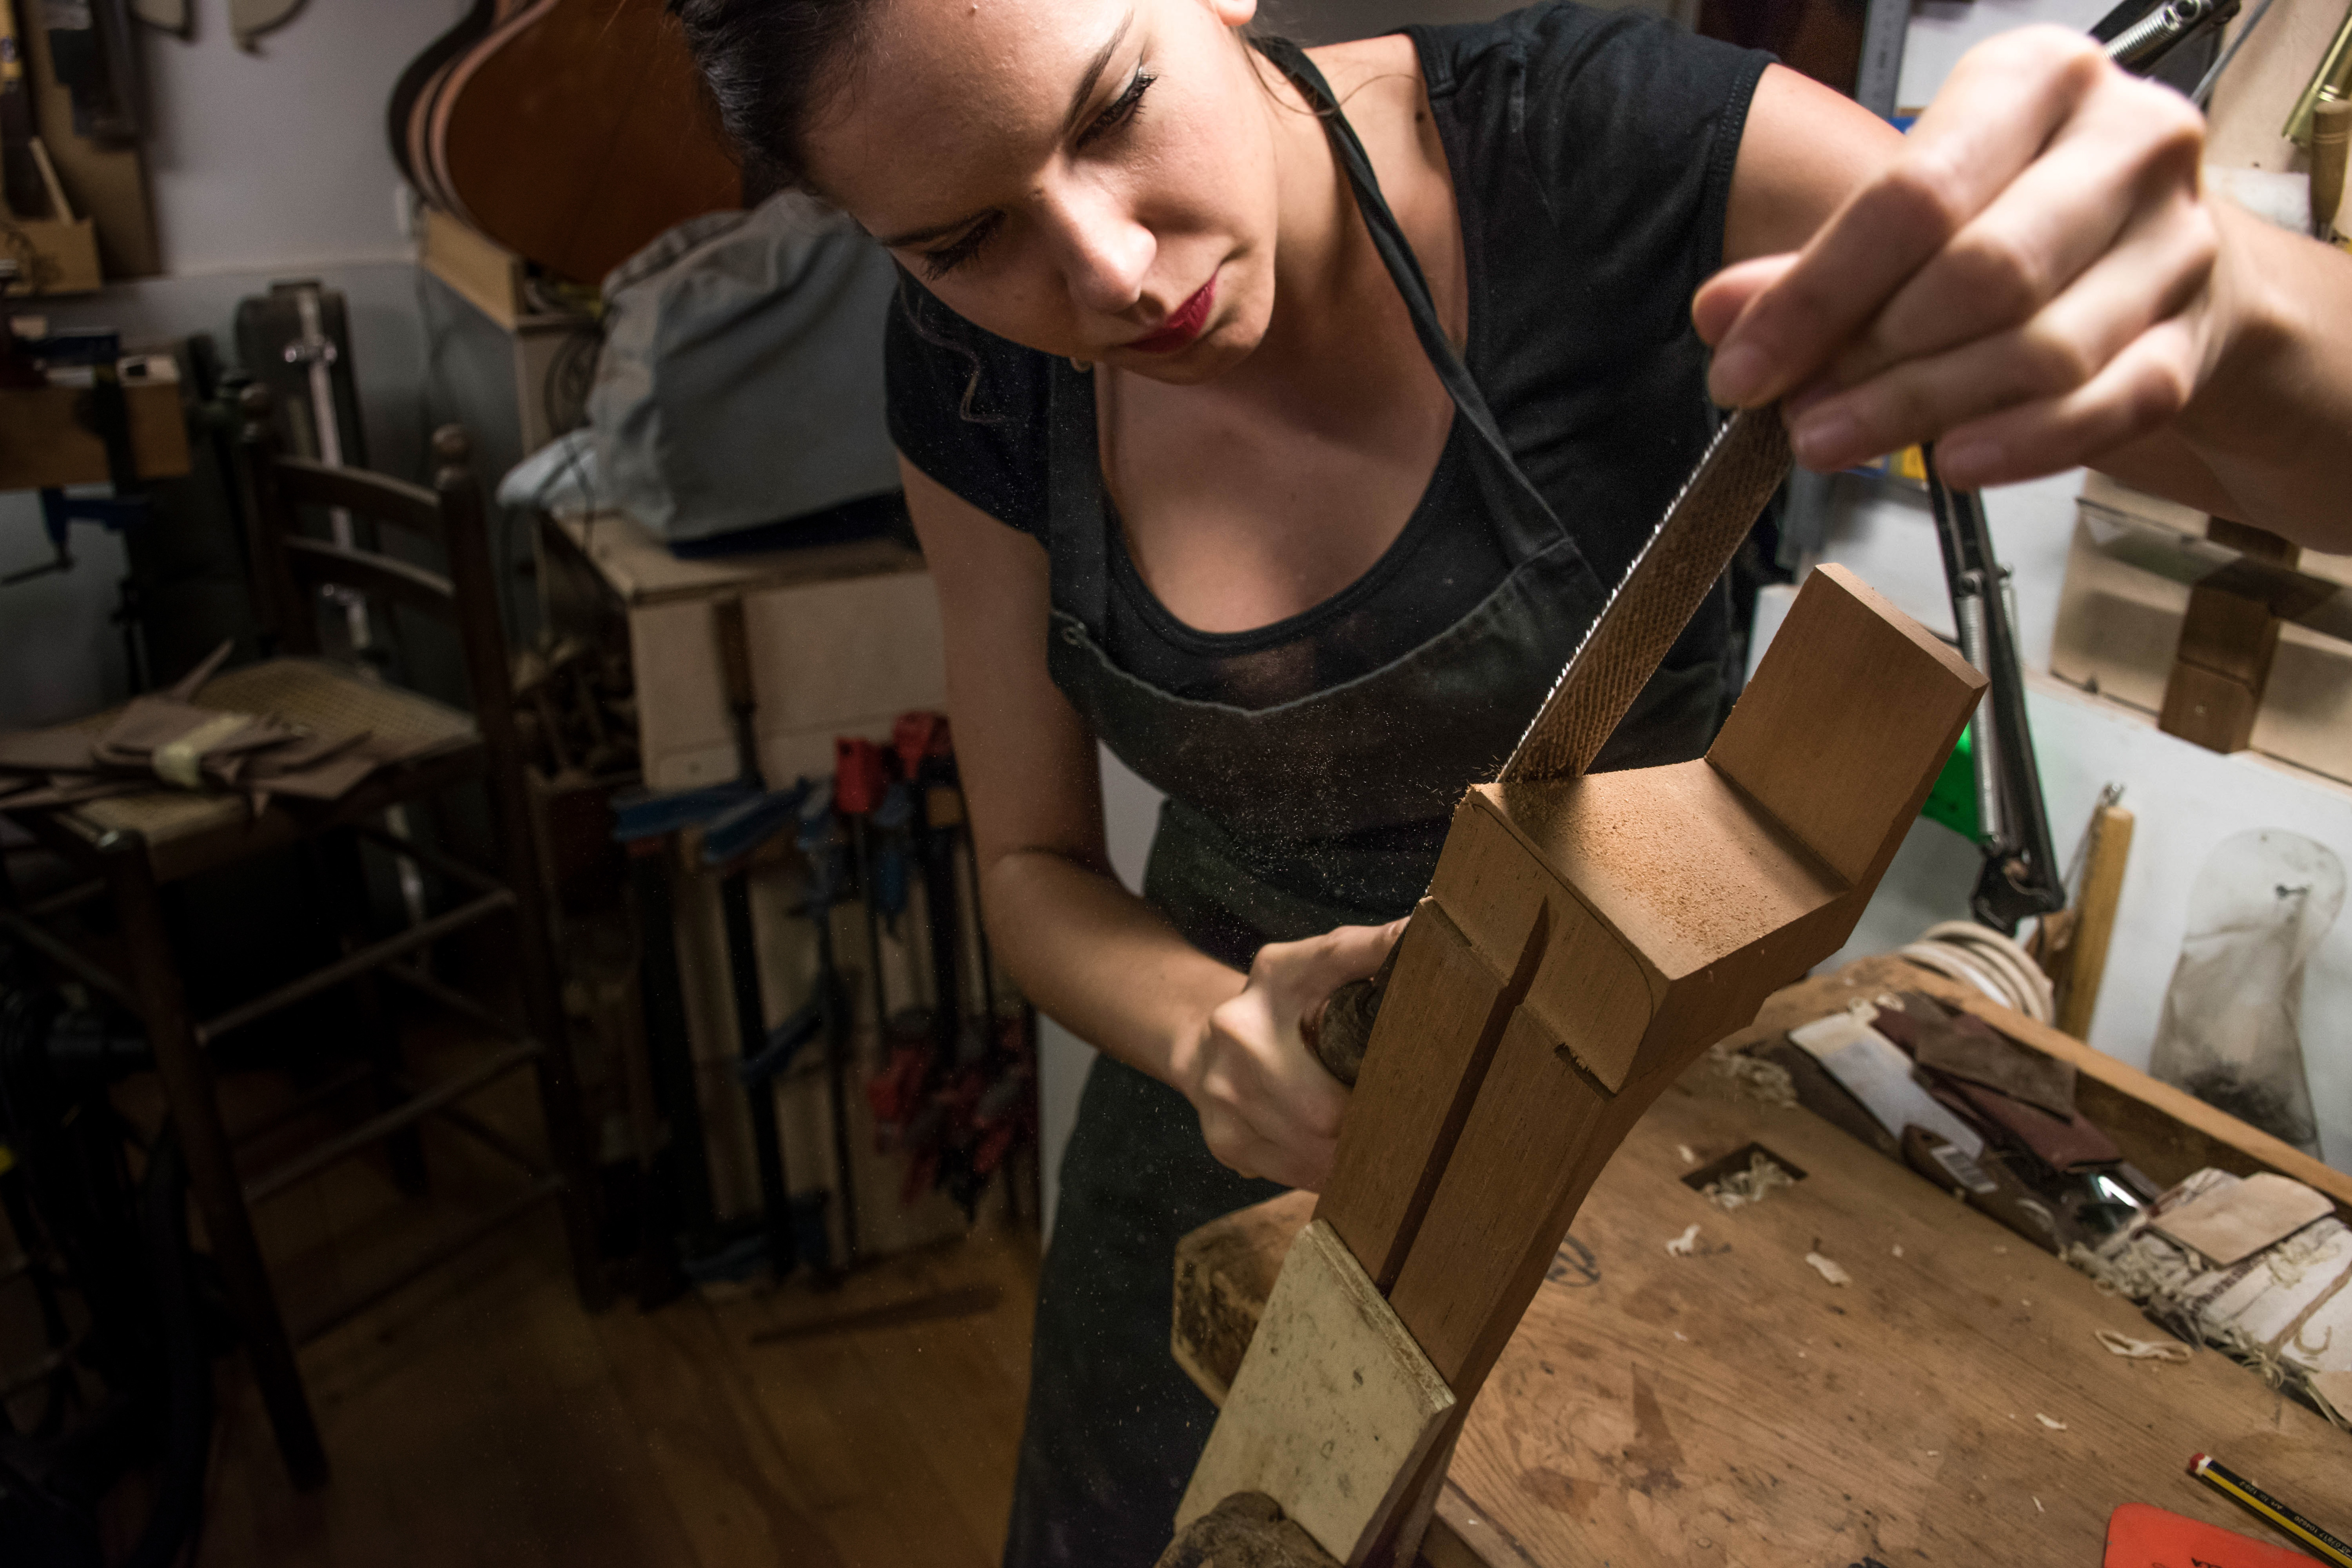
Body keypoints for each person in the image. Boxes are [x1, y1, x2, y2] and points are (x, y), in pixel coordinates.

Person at [670, 0, 2352, 1561]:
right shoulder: (967, 374)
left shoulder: (1618, 152)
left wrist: (2231, 302)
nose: (1108, 268)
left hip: (1631, 1157)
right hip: (1232, 1153)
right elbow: (1030, 875)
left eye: (1116, 109)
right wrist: (1205, 1030)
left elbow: (2277, 432)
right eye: (966, 242)